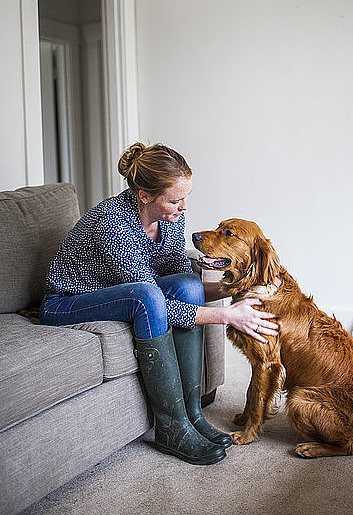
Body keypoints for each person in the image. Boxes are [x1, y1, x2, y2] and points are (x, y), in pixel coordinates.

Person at [40, 142, 278, 466]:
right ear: (145, 196)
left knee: (188, 283)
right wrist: (227, 316)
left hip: (126, 291)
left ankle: (192, 414)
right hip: (67, 302)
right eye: (175, 200)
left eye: (185, 197)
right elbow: (156, 303)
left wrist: (246, 287)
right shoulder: (112, 224)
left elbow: (180, 279)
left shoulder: (171, 217)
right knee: (145, 296)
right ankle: (171, 427)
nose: (183, 207)